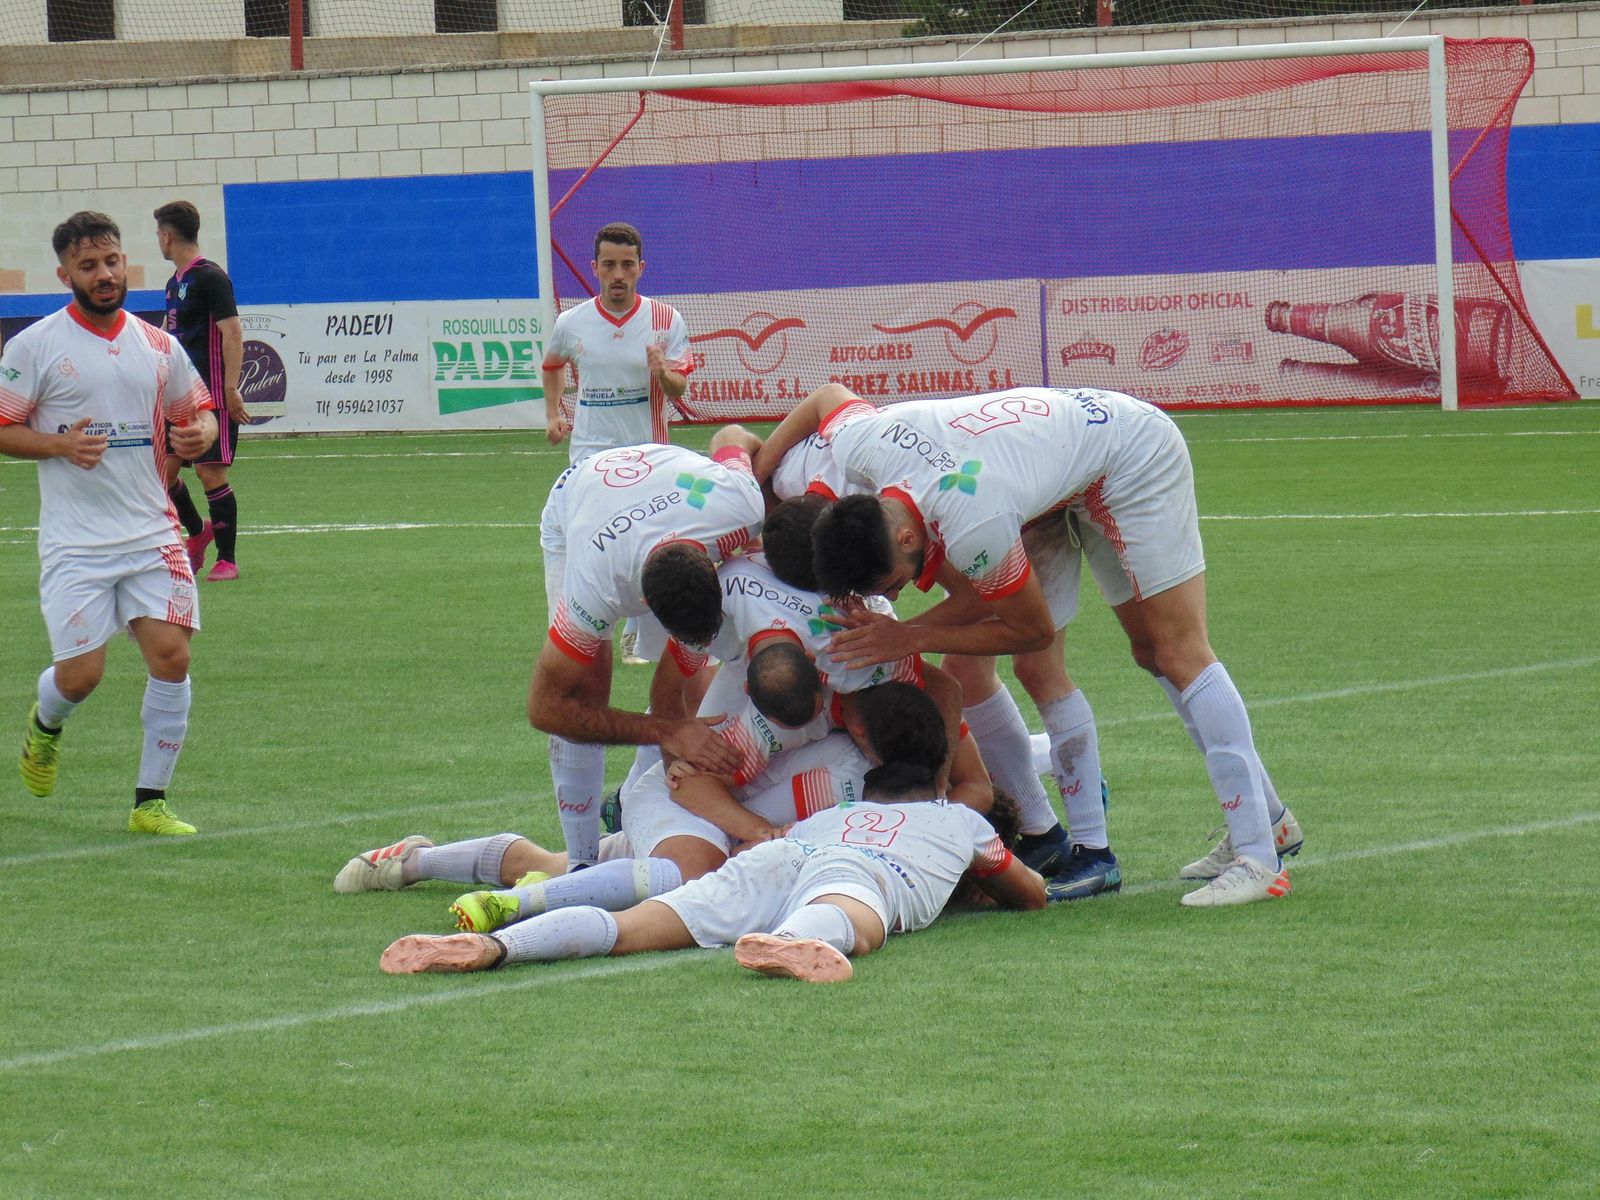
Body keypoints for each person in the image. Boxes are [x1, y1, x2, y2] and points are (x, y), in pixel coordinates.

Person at [754, 383, 1301, 908]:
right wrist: (758, 477)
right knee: (1051, 668)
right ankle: (1233, 828)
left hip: (1129, 453)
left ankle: (1258, 860)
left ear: (903, 537)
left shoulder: (974, 524)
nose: (897, 593)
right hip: (1048, 481)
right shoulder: (861, 443)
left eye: (891, 583)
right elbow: (827, 396)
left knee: (1176, 650)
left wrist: (908, 636)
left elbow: (1028, 626)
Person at [379, 707, 1047, 982]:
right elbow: (1032, 893)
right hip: (830, 863)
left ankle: (502, 946)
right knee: (852, 912)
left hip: (760, 841)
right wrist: (986, 876)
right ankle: (794, 942)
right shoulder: (963, 825)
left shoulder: (839, 802)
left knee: (628, 927)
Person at [1, 211, 218, 834]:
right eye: (89, 266)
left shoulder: (158, 347)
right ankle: (45, 728)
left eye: (112, 262)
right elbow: (3, 426)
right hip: (76, 544)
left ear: (126, 264)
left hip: (151, 530)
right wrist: (57, 446)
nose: (104, 275)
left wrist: (200, 433)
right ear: (64, 272)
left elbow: (195, 416)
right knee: (81, 676)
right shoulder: (35, 346)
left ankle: (150, 803)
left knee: (172, 657)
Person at [532, 431, 768, 869]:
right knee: (585, 696)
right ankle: (580, 863)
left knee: (699, 687)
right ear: (644, 608)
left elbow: (734, 436)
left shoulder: (742, 505)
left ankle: (636, 800)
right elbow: (545, 710)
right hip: (578, 504)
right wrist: (666, 732)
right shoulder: (597, 588)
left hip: (665, 485)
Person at [541, 221, 695, 665]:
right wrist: (553, 415)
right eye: (609, 265)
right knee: (590, 546)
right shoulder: (572, 323)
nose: (618, 274)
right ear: (594, 268)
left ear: (641, 268)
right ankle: (578, 633)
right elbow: (552, 365)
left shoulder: (666, 320)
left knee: (655, 549)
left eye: (627, 265)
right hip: (590, 458)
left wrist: (662, 372)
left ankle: (641, 635)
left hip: (652, 457)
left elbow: (680, 388)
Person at [153, 201, 245, 583]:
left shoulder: (211, 278)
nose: (158, 240)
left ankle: (227, 559)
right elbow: (166, 335)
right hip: (177, 397)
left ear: (168, 236)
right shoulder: (175, 284)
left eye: (158, 234)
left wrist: (230, 387)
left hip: (211, 397)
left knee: (210, 473)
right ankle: (197, 532)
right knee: (164, 475)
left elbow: (233, 332)